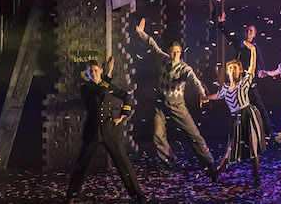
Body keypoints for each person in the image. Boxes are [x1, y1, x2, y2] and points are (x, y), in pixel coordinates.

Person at [133, 18, 215, 179]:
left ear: (181, 53)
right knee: (157, 133)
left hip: (177, 105)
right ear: (169, 52)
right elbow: (152, 45)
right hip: (161, 102)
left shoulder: (185, 68)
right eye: (173, 52)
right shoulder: (163, 59)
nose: (175, 54)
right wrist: (141, 33)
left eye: (178, 52)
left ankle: (209, 163)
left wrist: (201, 93)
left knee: (193, 134)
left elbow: (194, 80)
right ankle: (168, 160)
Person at [66, 57, 146, 203]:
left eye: (96, 70)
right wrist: (109, 73)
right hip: (92, 132)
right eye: (91, 71)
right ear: (88, 74)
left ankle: (136, 194)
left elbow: (126, 96)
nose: (94, 73)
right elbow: (99, 92)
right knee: (81, 165)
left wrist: (122, 115)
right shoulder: (86, 88)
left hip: (109, 131)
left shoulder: (107, 85)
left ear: (100, 71)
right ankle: (71, 195)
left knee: (124, 164)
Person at [203, 41, 266, 185]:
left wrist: (253, 51)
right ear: (227, 71)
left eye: (235, 68)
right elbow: (217, 95)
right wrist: (205, 98)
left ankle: (256, 177)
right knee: (231, 148)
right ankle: (217, 173)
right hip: (235, 120)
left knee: (252, 147)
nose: (232, 70)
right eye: (230, 68)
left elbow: (252, 68)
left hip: (248, 116)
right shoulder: (225, 88)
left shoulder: (243, 83)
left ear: (239, 71)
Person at [229, 13, 273, 138]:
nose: (249, 33)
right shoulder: (239, 43)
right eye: (247, 31)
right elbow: (227, 35)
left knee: (259, 106)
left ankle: (268, 131)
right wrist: (221, 24)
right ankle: (239, 133)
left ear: (254, 34)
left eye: (251, 31)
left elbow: (260, 63)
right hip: (239, 82)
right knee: (238, 108)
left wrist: (261, 71)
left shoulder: (256, 48)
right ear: (244, 33)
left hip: (250, 82)